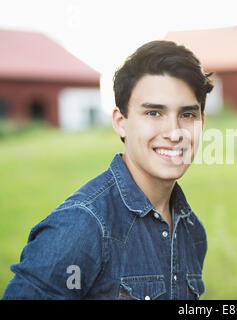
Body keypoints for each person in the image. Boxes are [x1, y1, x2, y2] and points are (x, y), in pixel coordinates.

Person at [2, 40, 214, 300]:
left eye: (188, 115)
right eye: (154, 113)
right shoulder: (82, 226)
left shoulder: (192, 230)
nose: (174, 132)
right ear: (121, 122)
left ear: (201, 123)